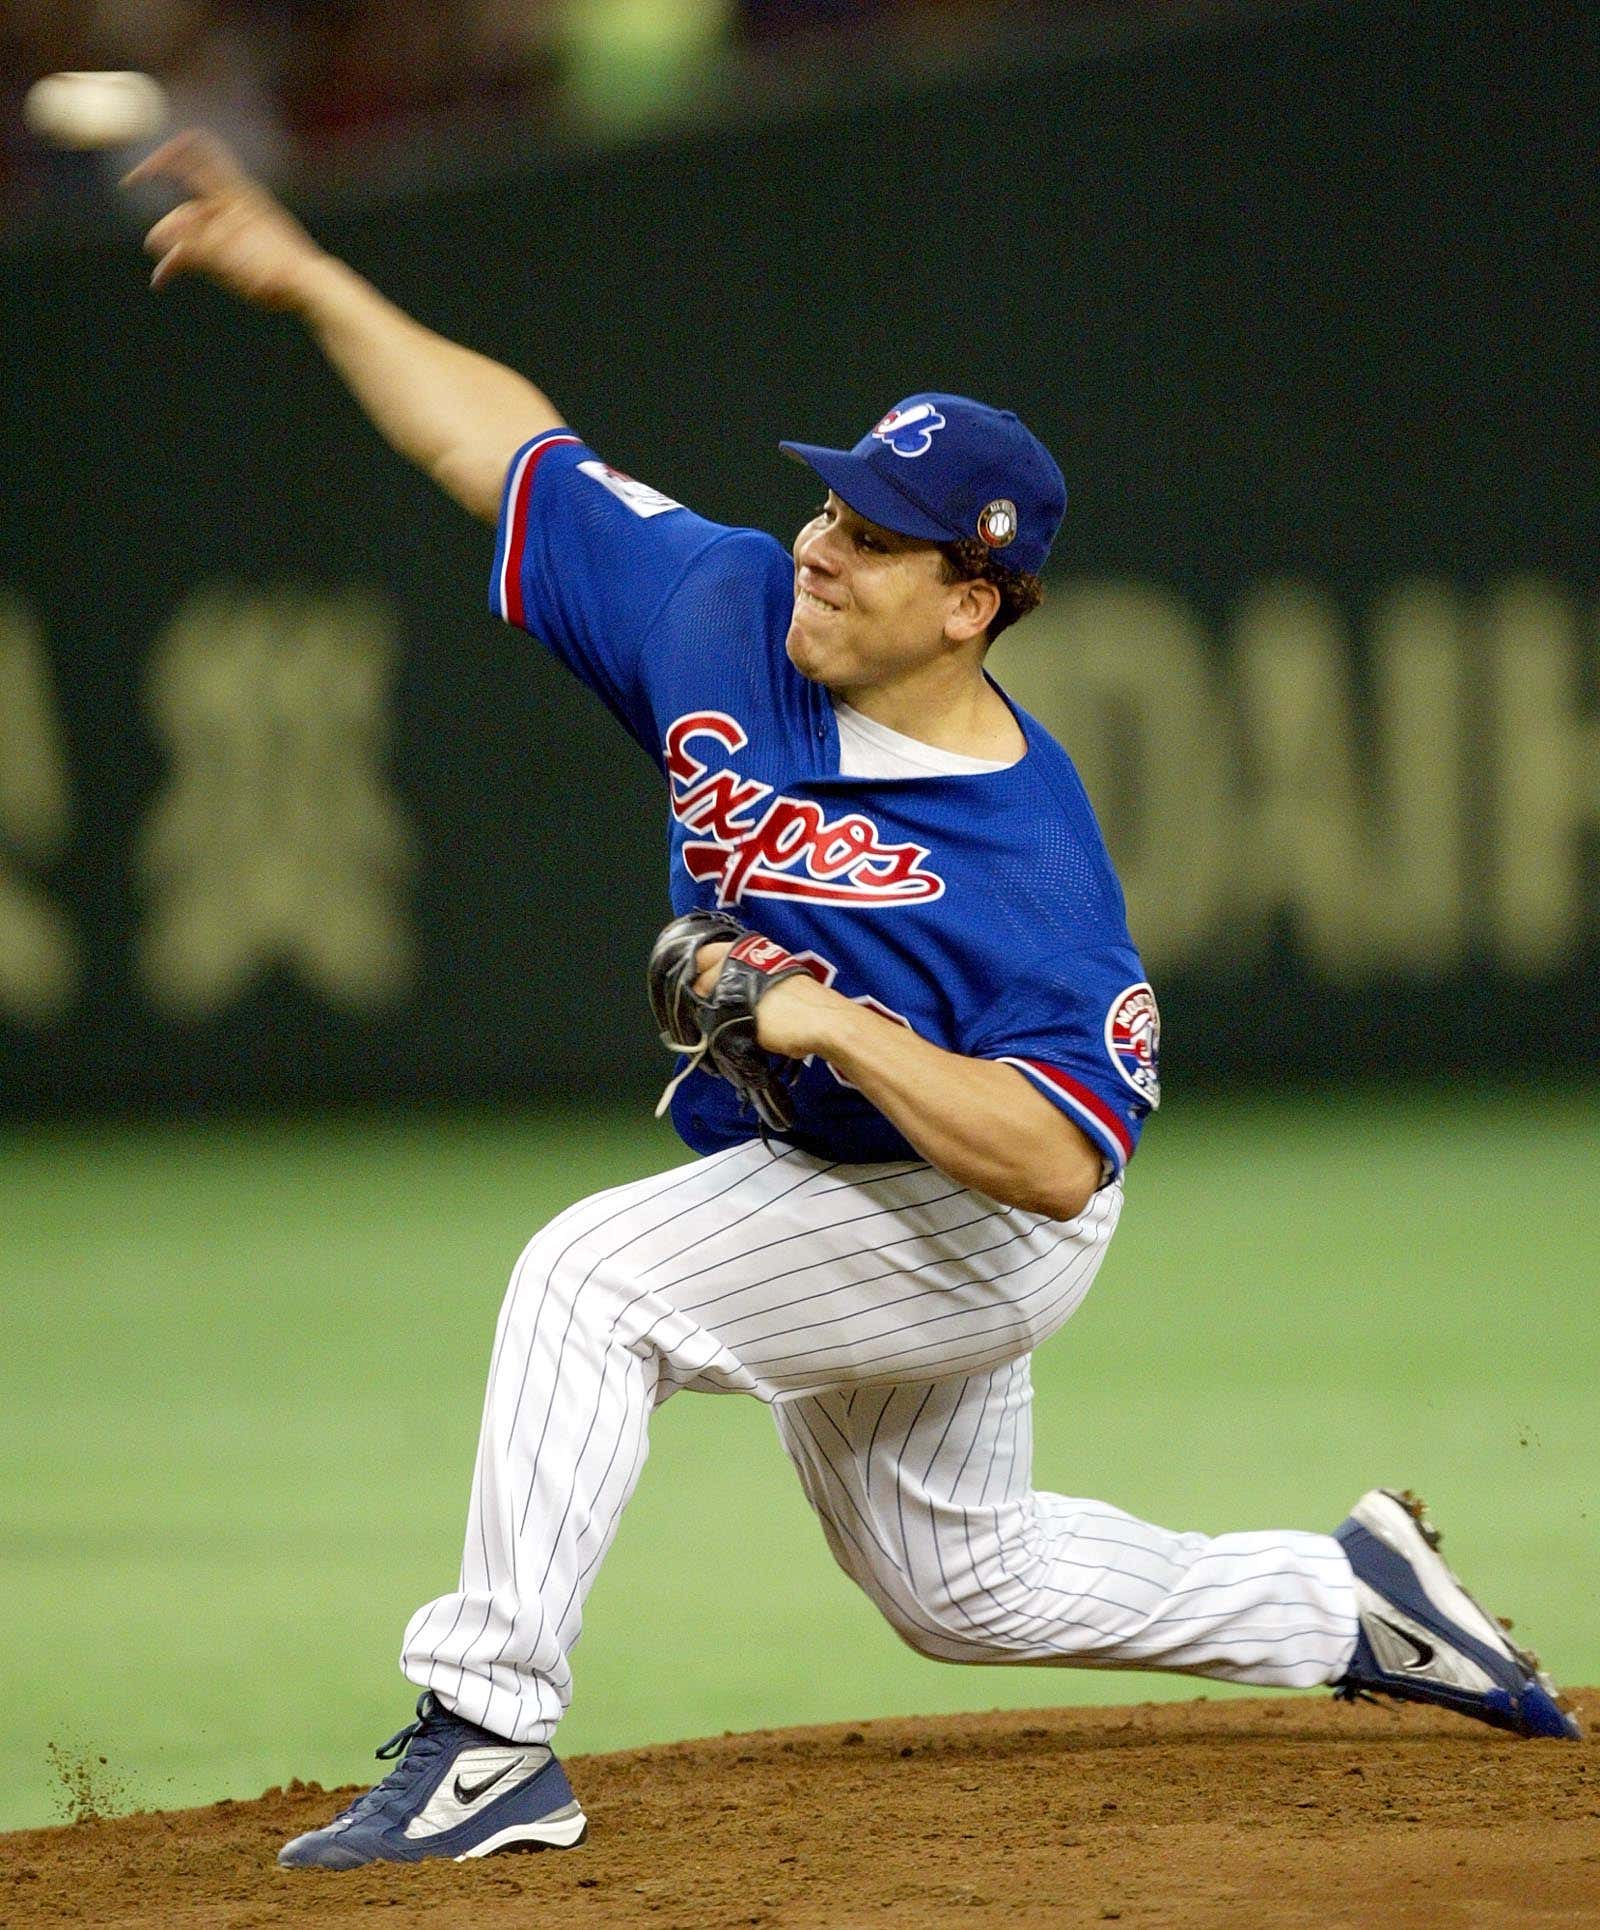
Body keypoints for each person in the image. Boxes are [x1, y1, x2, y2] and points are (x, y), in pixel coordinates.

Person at [125, 131, 1580, 1869]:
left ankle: (487, 1731)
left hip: (977, 1206)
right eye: (831, 504)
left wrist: (838, 1026)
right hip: (831, 1171)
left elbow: (1060, 1163)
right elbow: (498, 443)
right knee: (963, 1584)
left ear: (973, 602)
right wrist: (312, 278)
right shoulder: (722, 601)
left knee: (592, 1280)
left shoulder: (1028, 871)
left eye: (876, 540)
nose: (824, 547)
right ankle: (1348, 1607)